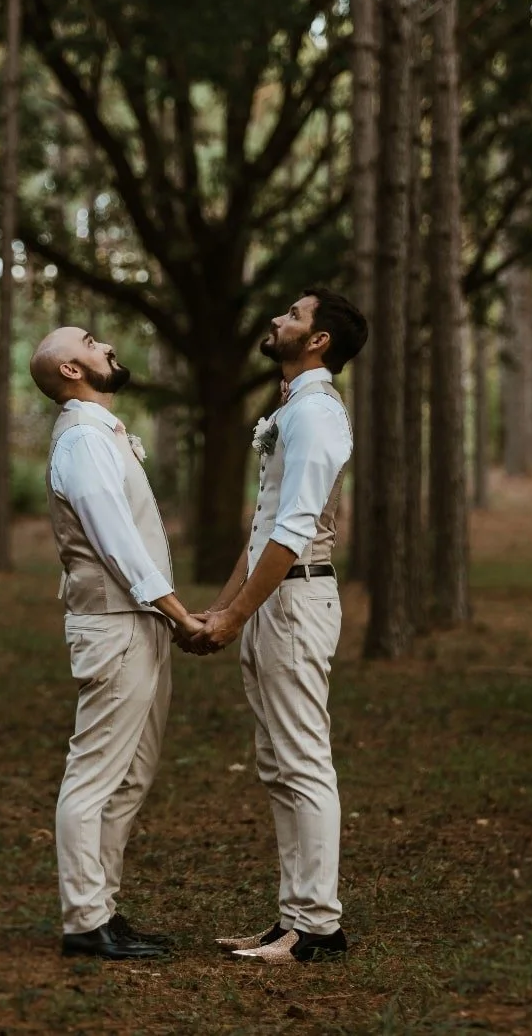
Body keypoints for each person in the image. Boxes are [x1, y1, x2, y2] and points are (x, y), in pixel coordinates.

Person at [195, 288, 368, 965]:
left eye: (294, 316)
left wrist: (236, 616)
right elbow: (262, 527)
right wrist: (223, 606)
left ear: (320, 340)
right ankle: (292, 919)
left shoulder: (318, 416)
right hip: (273, 599)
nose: (278, 319)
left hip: (295, 602)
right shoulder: (294, 411)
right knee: (277, 762)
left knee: (303, 759)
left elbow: (294, 532)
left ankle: (320, 928)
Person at [30, 326, 204, 961]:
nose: (106, 346)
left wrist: (166, 617)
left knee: (132, 773)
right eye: (92, 341)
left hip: (140, 622)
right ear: (72, 371)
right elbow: (115, 541)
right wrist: (180, 614)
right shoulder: (80, 439)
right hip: (115, 624)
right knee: (97, 772)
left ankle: (101, 907)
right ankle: (83, 921)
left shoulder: (100, 433)